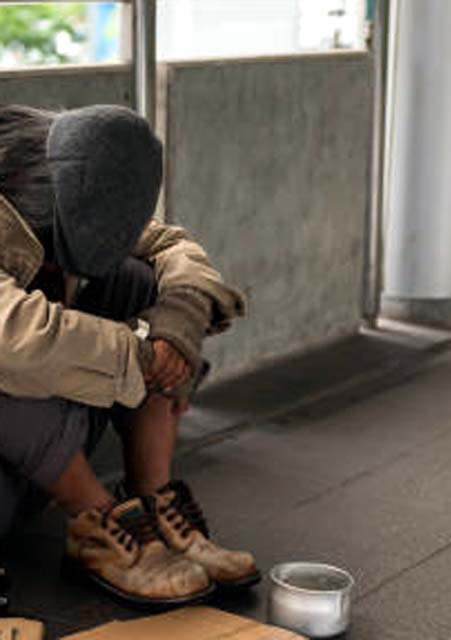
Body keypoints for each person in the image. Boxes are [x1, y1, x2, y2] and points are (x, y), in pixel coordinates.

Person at [0, 104, 258, 607]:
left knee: (140, 279)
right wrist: (141, 357)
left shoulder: (63, 180)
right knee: (14, 359)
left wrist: (180, 315)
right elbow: (14, 335)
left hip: (31, 453)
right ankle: (97, 523)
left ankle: (151, 505)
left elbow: (168, 243)